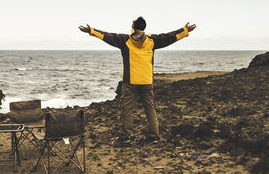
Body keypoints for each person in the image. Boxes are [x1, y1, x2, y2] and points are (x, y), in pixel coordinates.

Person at [79, 17, 196, 145]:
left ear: (133, 26)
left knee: (127, 109)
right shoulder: (152, 40)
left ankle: (126, 136)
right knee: (150, 109)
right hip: (146, 81)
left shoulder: (125, 41)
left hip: (130, 82)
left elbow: (107, 36)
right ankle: (154, 136)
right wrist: (184, 30)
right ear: (144, 27)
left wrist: (91, 30)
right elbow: (169, 37)